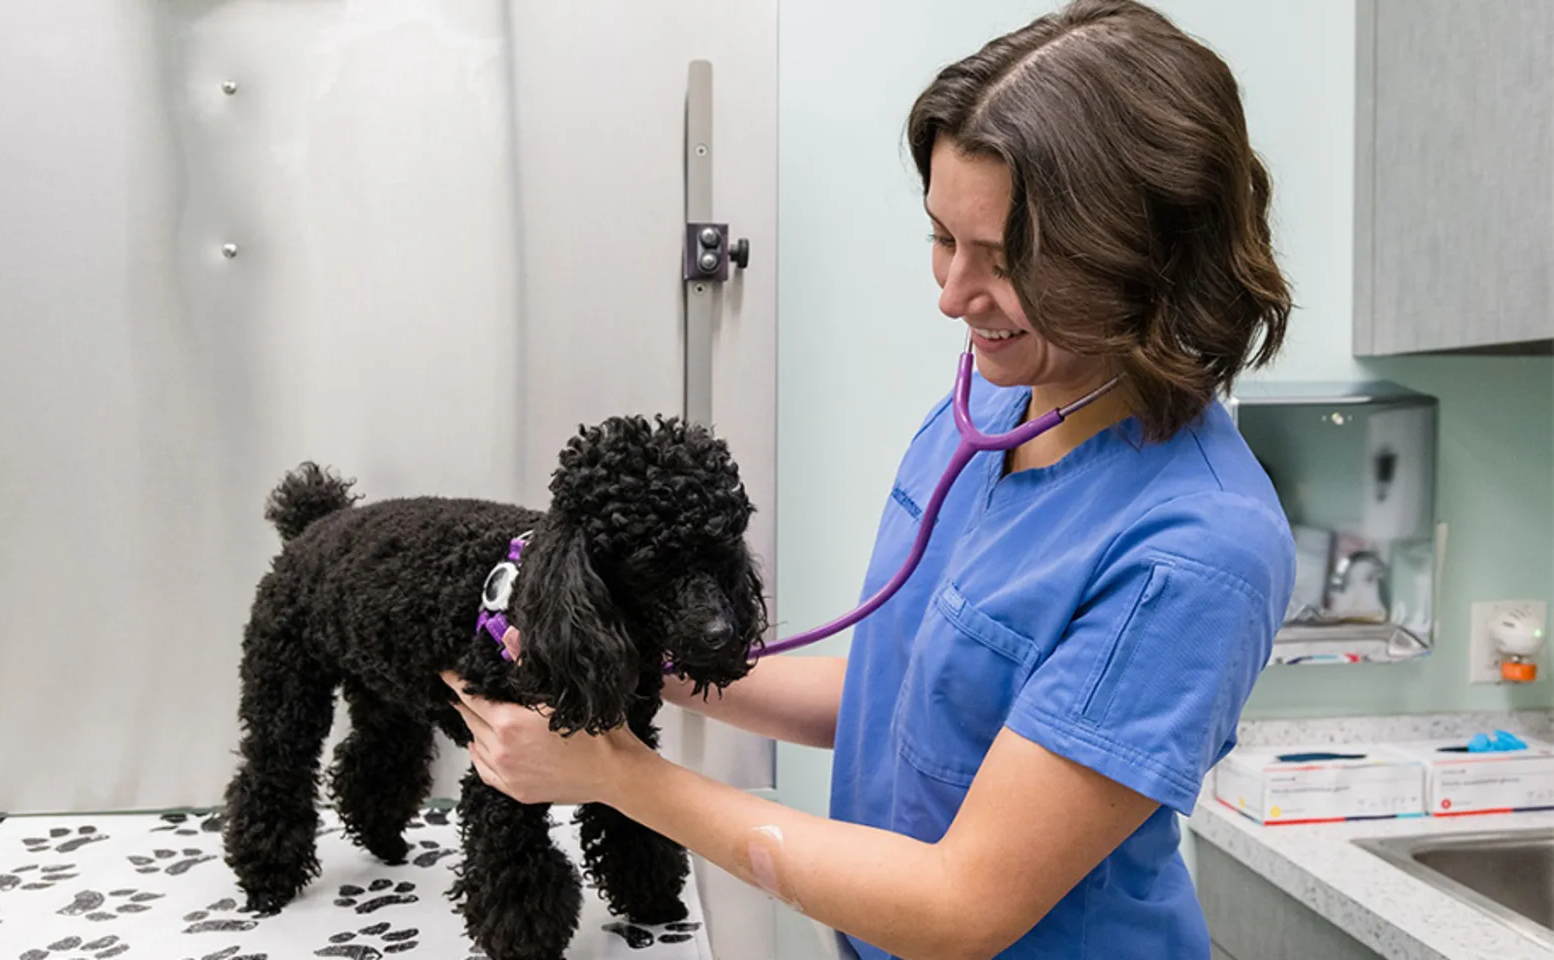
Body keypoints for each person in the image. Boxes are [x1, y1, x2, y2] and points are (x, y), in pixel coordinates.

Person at [441, 1, 1297, 956]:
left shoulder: (1198, 550)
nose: (951, 297)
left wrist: (615, 774)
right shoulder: (997, 394)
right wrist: (644, 665)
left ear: (1153, 258)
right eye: (942, 237)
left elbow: (961, 905)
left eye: (1006, 262)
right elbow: (914, 688)